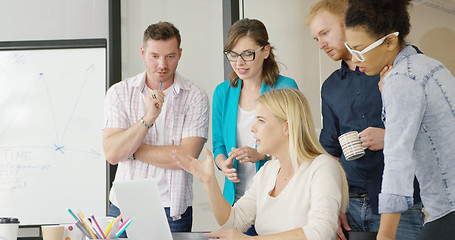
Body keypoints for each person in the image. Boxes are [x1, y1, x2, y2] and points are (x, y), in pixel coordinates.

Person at [306, 1, 423, 239]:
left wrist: (389, 138)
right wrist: (332, 205)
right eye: (316, 39)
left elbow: (434, 129)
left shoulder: (403, 65)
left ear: (348, 23)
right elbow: (330, 152)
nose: (321, 45)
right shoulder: (330, 87)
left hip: (402, 206)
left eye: (325, 33)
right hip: (350, 208)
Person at [344, 0, 455, 239]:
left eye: (360, 49)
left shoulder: (401, 78)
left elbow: (397, 161)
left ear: (390, 41)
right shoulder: (431, 65)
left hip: (448, 210)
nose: (354, 58)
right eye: (350, 48)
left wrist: (384, 235)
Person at [174, 88, 349, 240]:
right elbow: (233, 223)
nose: (252, 128)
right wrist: (209, 182)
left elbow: (321, 233)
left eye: (261, 120)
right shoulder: (268, 171)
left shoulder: (322, 167)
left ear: (287, 127)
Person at [102, 21, 209, 233]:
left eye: (170, 56)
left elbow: (186, 157)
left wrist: (131, 150)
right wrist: (147, 119)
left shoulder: (195, 96)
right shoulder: (120, 92)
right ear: (142, 52)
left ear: (179, 54)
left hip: (174, 209)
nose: (162, 64)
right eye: (154, 56)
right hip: (124, 205)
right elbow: (113, 154)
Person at [212, 18, 298, 214]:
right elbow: (219, 145)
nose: (239, 62)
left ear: (266, 51)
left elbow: (295, 141)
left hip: (277, 199)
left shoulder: (285, 88)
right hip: (236, 203)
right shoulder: (222, 93)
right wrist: (223, 165)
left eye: (247, 54)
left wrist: (261, 154)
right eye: (233, 55)